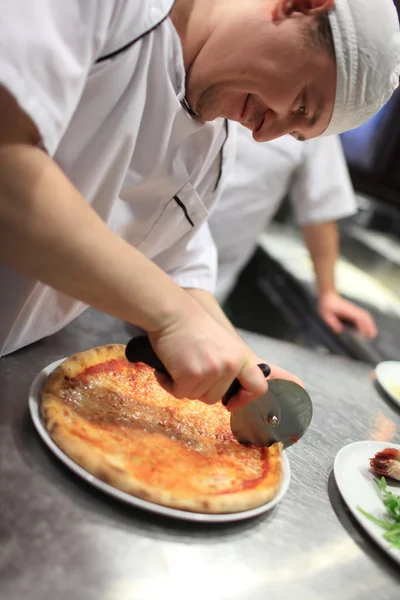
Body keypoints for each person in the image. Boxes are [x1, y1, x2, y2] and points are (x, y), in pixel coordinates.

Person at [0, 0, 398, 410]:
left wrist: (245, 364)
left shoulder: (213, 147)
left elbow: (176, 263)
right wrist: (171, 316)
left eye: (295, 131)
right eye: (301, 103)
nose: (264, 135)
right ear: (299, 6)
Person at [210, 125, 378, 339]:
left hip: (210, 285)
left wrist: (328, 293)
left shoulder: (316, 115)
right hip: (154, 259)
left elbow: (320, 207)